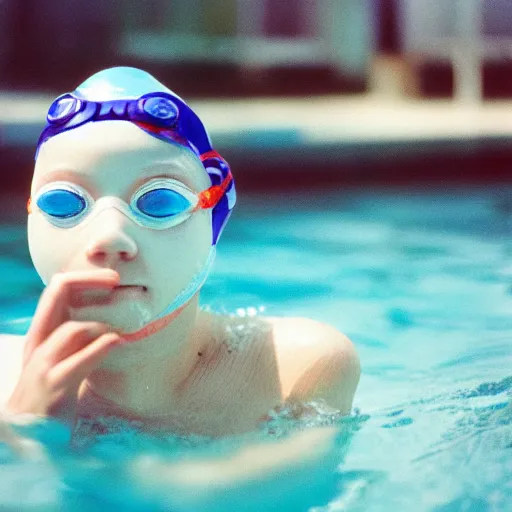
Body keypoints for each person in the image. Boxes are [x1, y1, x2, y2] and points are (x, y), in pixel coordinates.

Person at [0, 67, 360, 437]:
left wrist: (36, 445)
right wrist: (25, 420)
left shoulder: (290, 372)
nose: (109, 237)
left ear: (215, 216)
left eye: (158, 202)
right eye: (62, 203)